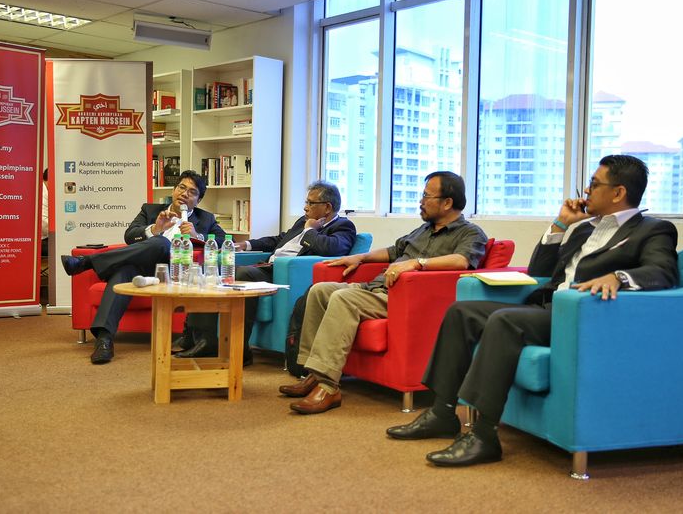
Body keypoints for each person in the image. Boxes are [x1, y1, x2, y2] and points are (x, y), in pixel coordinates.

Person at [386, 155, 679, 467]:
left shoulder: (653, 230)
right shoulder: (583, 229)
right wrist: (561, 224)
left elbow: (663, 271)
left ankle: (483, 436)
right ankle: (442, 413)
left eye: (594, 184)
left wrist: (618, 277)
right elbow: (540, 269)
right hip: (547, 307)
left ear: (618, 193)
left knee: (504, 321)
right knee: (461, 312)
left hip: (581, 317)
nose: (586, 191)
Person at [279, 171, 488, 415]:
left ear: (447, 202)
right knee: (319, 291)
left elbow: (461, 261)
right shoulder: (422, 230)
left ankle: (328, 386)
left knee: (343, 298)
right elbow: (392, 251)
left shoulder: (470, 233)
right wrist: (360, 257)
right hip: (376, 290)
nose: (420, 201)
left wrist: (417, 263)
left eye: (425, 196)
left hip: (404, 299)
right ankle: (313, 373)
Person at [176, 181, 358, 365]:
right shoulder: (302, 221)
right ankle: (202, 340)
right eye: (306, 202)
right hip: (267, 267)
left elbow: (331, 248)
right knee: (212, 273)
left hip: (284, 272)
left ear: (327, 207)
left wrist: (310, 230)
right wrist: (246, 244)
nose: (305, 207)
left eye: (311, 203)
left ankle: (240, 351)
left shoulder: (343, 226)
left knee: (242, 274)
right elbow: (279, 239)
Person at [60, 170, 225, 364]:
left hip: (174, 271)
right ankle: (104, 340)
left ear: (197, 201)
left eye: (192, 192)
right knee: (127, 270)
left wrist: (198, 236)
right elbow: (129, 236)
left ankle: (87, 262)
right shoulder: (150, 210)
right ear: (173, 190)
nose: (185, 193)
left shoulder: (205, 219)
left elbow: (222, 240)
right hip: (142, 267)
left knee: (160, 245)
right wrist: (155, 229)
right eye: (181, 187)